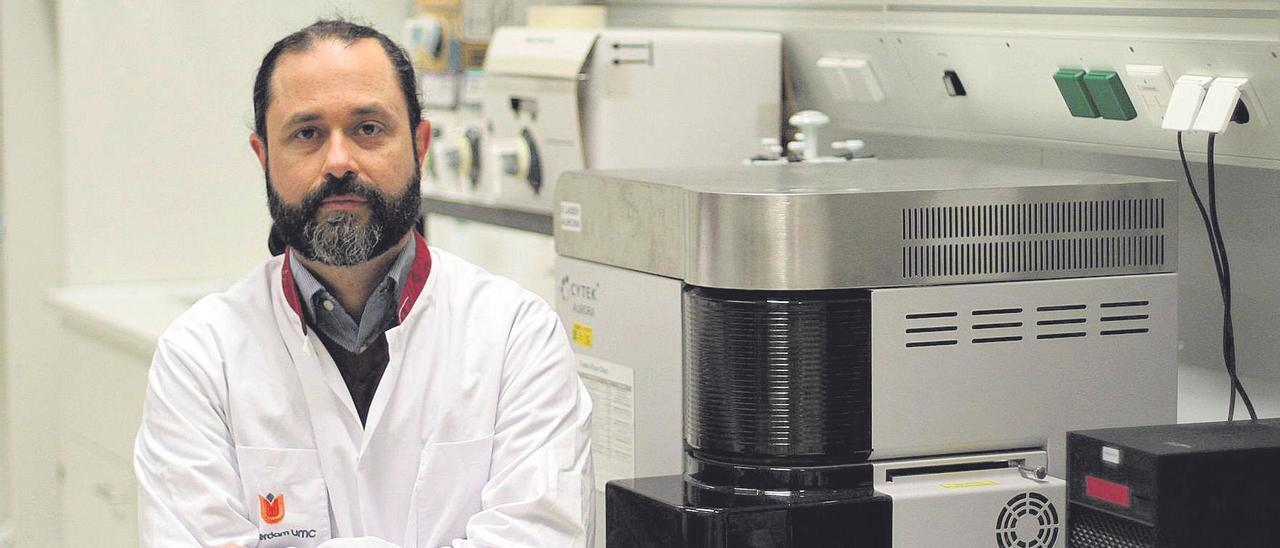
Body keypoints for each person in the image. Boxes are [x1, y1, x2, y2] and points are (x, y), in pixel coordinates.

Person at [133, 19, 593, 547]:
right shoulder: (200, 357)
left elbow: (540, 538)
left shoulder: (517, 337)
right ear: (263, 157)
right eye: (306, 133)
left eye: (368, 128)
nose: (338, 162)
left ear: (420, 145)